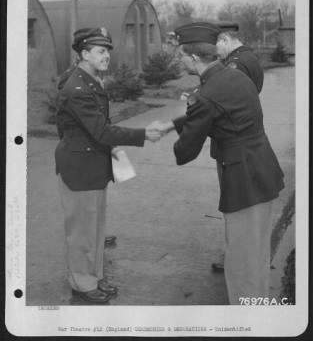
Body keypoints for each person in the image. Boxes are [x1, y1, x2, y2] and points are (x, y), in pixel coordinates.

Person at [153, 22, 284, 304]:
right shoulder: (234, 77)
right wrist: (172, 124)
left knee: (242, 260)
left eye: (181, 55)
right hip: (262, 171)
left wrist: (176, 134)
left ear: (194, 58)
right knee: (257, 252)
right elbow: (218, 110)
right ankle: (258, 309)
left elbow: (184, 153)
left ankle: (248, 322)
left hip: (244, 180)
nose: (179, 59)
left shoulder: (207, 94)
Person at [55, 27, 161, 304]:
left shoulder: (89, 81)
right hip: (79, 170)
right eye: (101, 51)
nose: (107, 57)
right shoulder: (77, 87)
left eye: (108, 51)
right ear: (84, 53)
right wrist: (142, 134)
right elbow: (101, 131)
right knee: (82, 233)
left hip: (91, 166)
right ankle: (82, 283)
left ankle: (93, 277)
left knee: (94, 230)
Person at [212, 22, 265, 273]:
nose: (216, 53)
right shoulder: (250, 58)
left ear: (224, 40)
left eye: (217, 45)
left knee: (234, 203)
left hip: (232, 143)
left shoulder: (235, 65)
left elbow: (226, 102)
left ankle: (234, 258)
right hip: (245, 139)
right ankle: (240, 254)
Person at [216, 22, 264, 93]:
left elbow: (228, 95)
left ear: (225, 40)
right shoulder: (250, 56)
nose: (216, 49)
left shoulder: (235, 63)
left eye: (216, 42)